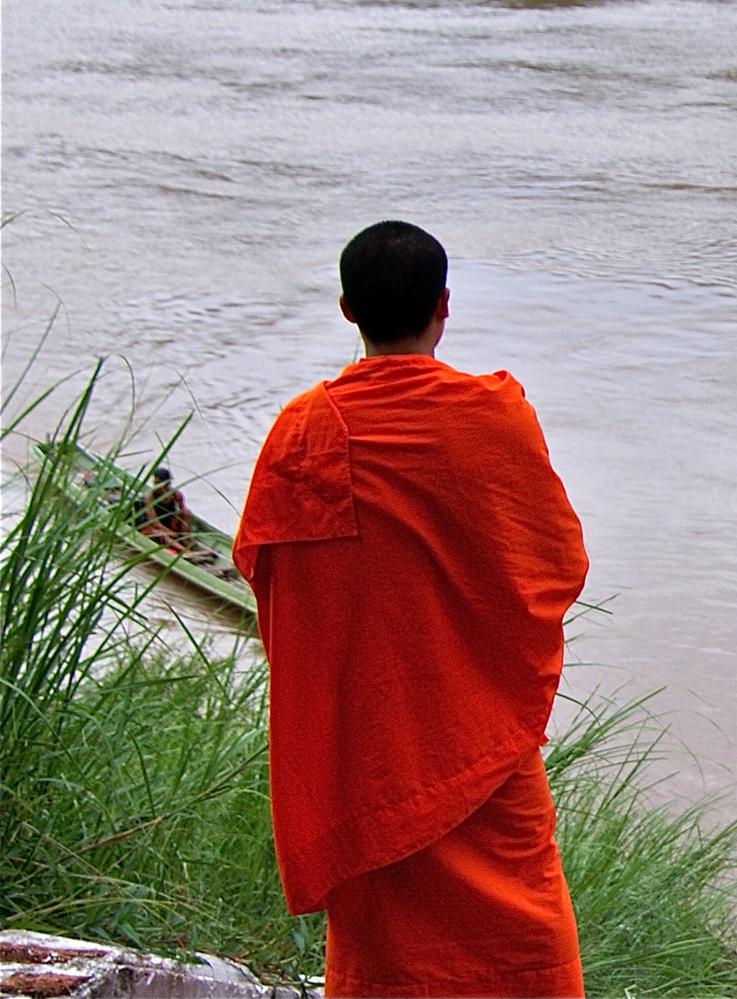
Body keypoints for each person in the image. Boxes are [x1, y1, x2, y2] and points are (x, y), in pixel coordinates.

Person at [233, 221, 590, 998]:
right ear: (445, 305)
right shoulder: (493, 418)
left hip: (367, 749)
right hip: (479, 738)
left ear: (344, 309)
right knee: (522, 933)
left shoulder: (304, 431)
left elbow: (272, 581)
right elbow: (555, 564)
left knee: (384, 953)